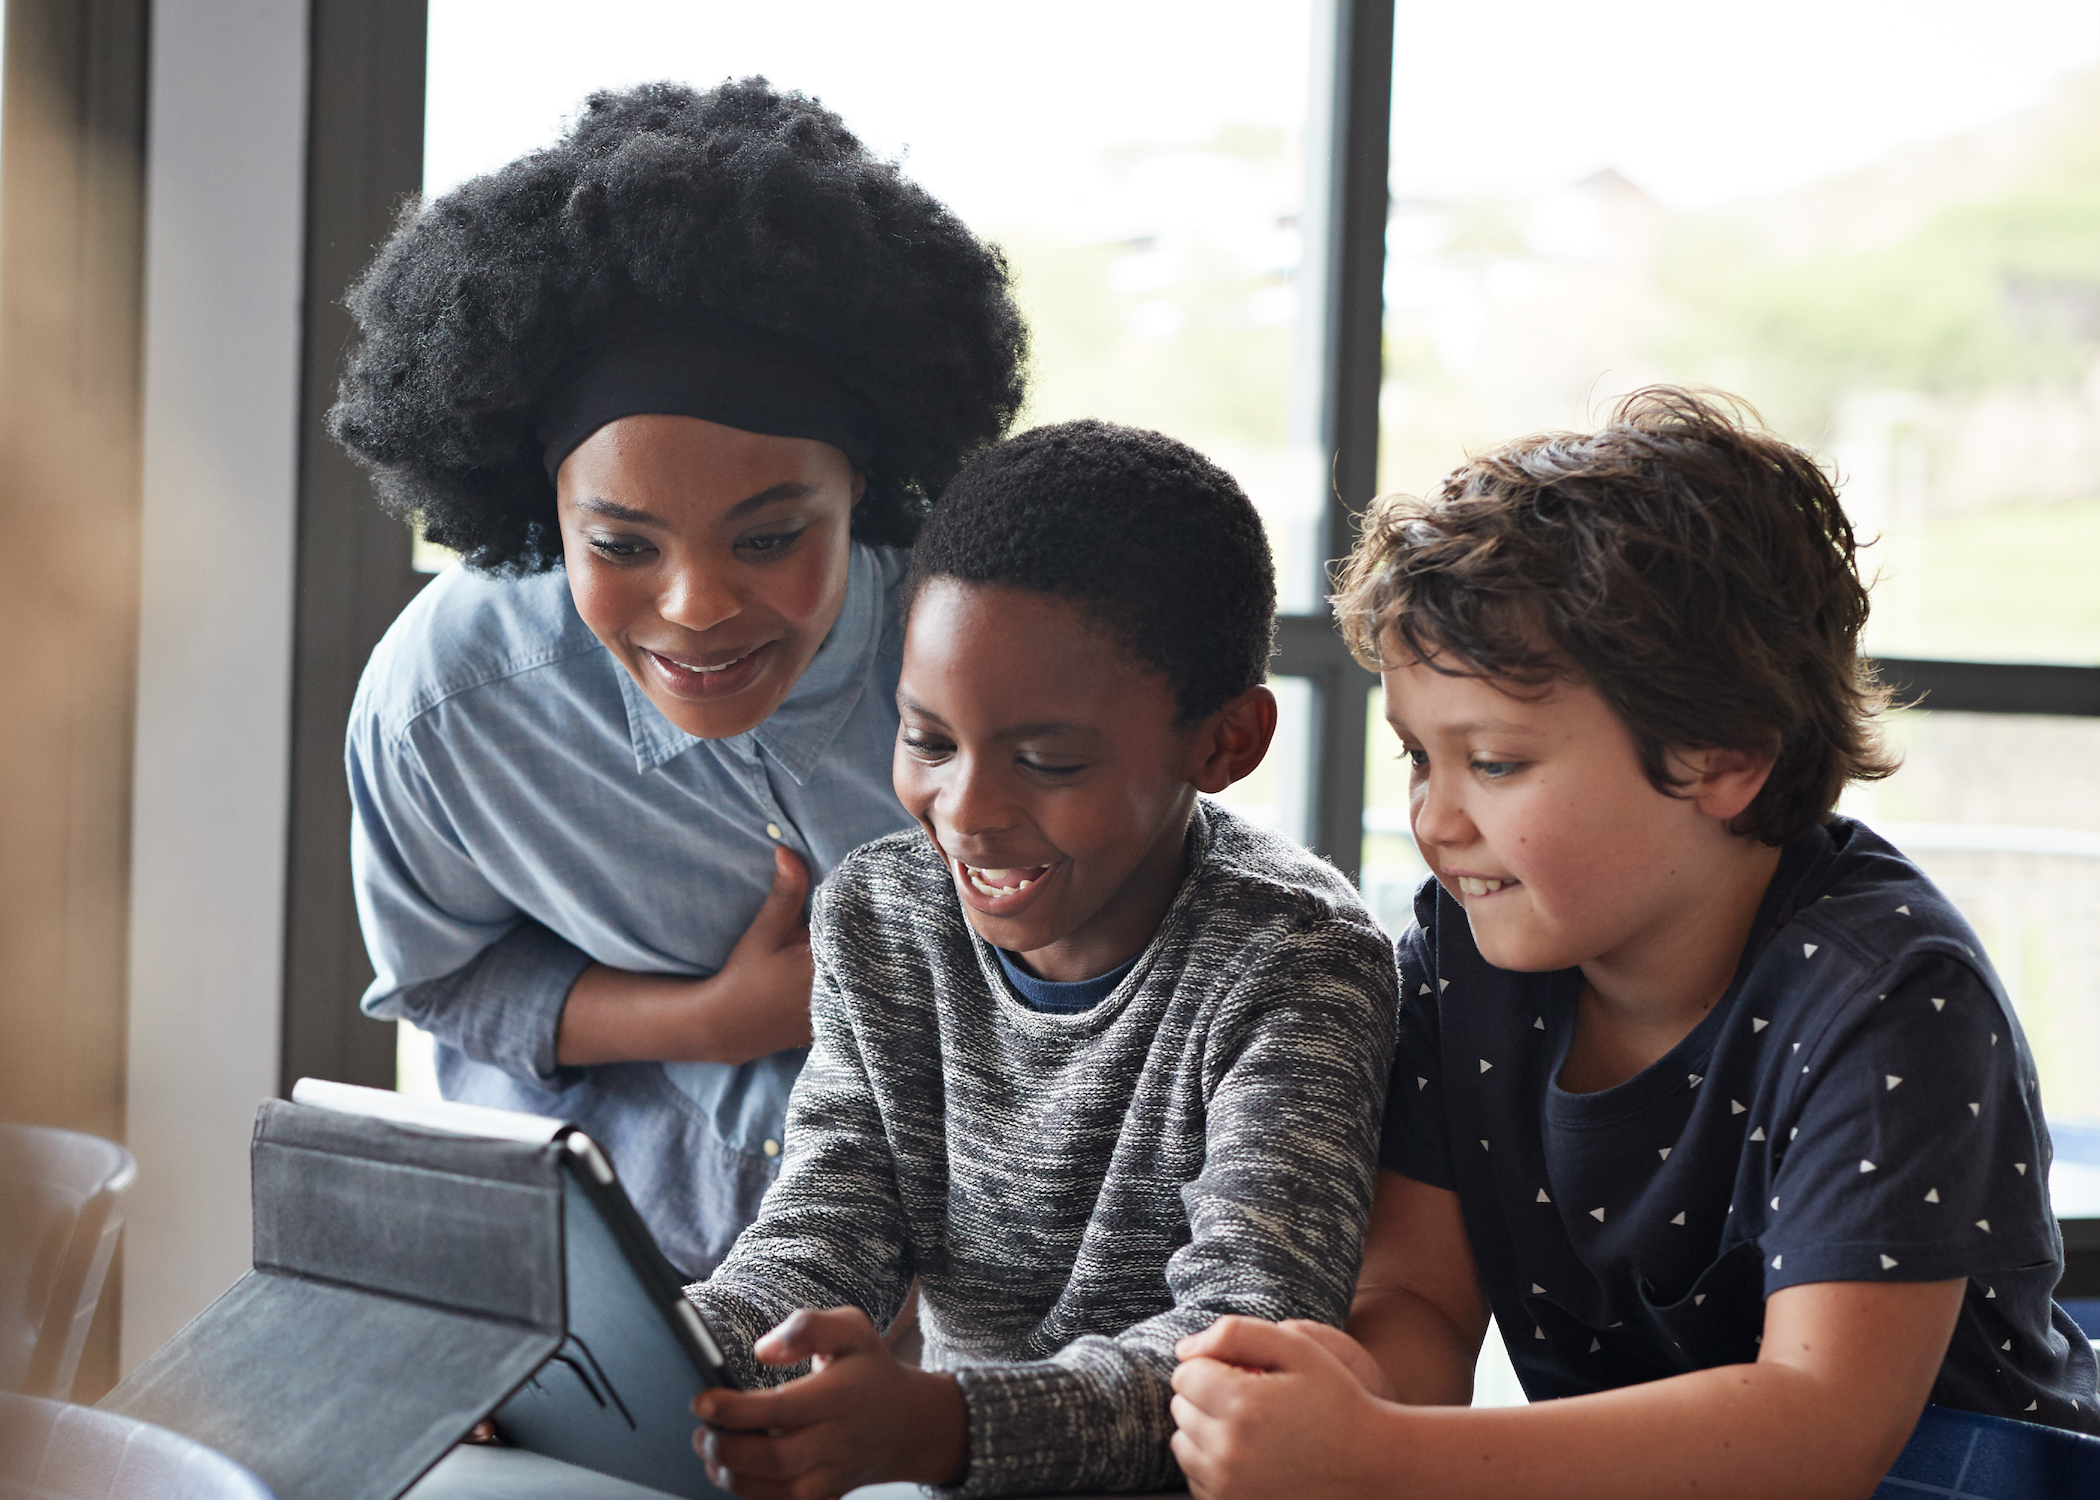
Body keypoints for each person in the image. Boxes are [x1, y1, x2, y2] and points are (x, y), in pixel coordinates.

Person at [1168, 389, 2100, 1500]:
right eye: (1419, 756)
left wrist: (1381, 1453)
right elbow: (1419, 1299)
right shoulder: (1462, 959)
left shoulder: (1889, 995)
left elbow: (1822, 1425)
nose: (1437, 818)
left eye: (1497, 764)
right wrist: (1338, 1398)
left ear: (1721, 756)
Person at [329, 79, 1026, 1275]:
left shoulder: (991, 654)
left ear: (863, 487)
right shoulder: (448, 701)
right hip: (604, 1302)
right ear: (542, 512)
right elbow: (440, 981)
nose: (697, 606)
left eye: (768, 537)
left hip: (950, 1317)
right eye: (621, 545)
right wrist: (717, 1022)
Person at [678, 422, 1399, 1498]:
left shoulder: (1296, 963)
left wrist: (944, 1427)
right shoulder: (883, 914)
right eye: (927, 741)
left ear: (1225, 745)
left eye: (1047, 761)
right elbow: (828, 1225)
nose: (964, 811)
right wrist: (668, 1357)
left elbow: (1244, 1346)